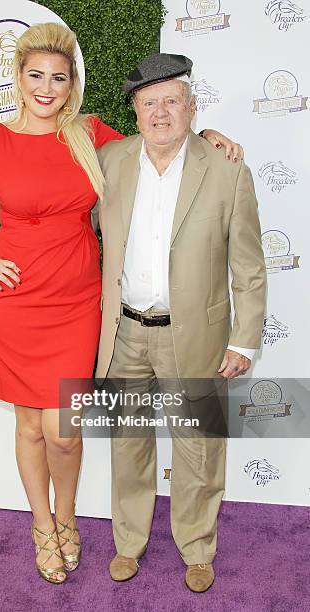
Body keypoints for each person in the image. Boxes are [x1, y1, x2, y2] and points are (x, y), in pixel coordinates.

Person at [0, 22, 243, 586]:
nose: (47, 88)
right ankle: (45, 528)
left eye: (58, 79)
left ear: (72, 85)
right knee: (29, 428)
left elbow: (157, 141)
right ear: (17, 79)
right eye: (35, 75)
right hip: (15, 304)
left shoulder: (90, 134)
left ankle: (69, 519)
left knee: (63, 431)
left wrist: (206, 130)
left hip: (78, 305)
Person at [91, 53, 267, 592]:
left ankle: (196, 548)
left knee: (199, 447)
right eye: (149, 104)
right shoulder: (108, 160)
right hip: (123, 335)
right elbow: (69, 221)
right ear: (135, 113)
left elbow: (249, 263)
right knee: (128, 442)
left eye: (172, 101)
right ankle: (129, 543)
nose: (161, 113)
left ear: (193, 108)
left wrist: (244, 338)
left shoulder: (227, 167)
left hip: (196, 336)